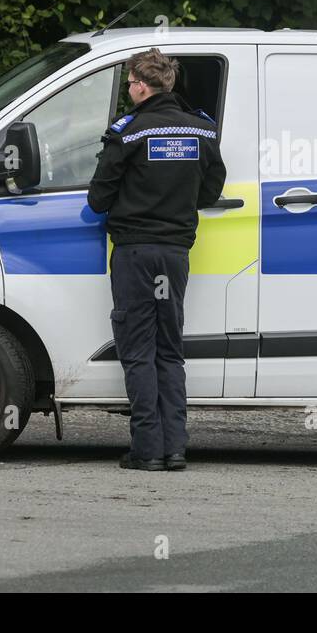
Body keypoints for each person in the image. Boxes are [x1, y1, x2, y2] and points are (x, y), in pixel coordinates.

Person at [87, 48, 227, 471]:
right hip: (174, 256)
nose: (129, 89)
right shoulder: (202, 131)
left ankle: (147, 449)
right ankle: (175, 448)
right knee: (169, 350)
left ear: (141, 85)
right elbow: (210, 191)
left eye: (130, 83)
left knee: (137, 350)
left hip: (134, 254)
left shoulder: (127, 133)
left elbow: (98, 200)